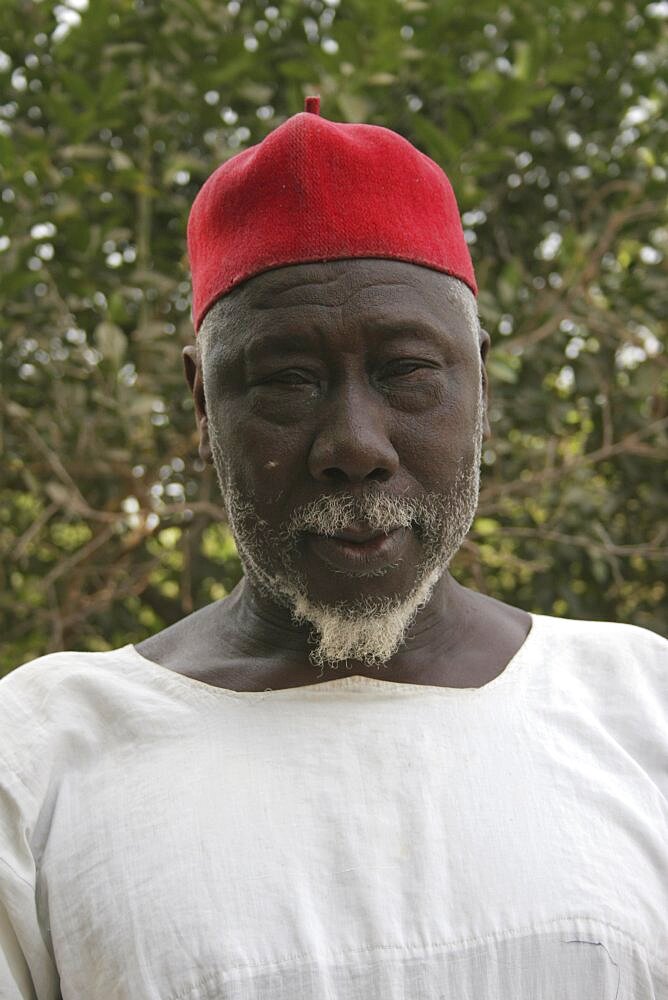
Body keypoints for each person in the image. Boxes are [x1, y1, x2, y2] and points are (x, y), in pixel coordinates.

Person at [1, 97, 666, 1000]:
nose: (355, 444)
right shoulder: (42, 753)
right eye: (286, 380)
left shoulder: (637, 707)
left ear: (480, 374)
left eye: (408, 372)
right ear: (202, 403)